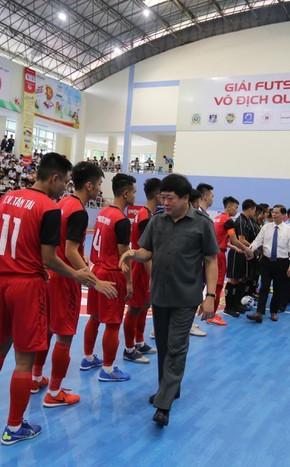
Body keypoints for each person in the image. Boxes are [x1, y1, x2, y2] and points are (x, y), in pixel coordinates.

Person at [0, 153, 95, 446]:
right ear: (54, 179)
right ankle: (14, 427)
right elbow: (49, 259)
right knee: (23, 359)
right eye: (64, 182)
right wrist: (79, 275)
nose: (64, 188)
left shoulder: (5, 198)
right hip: (25, 285)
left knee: (0, 344)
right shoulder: (48, 208)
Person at [119, 174, 219, 427]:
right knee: (164, 348)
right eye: (162, 197)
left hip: (186, 298)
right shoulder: (157, 221)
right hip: (160, 296)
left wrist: (210, 296)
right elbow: (147, 251)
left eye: (170, 198)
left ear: (185, 198)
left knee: (176, 348)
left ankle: (163, 405)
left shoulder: (202, 224)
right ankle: (170, 388)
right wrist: (133, 253)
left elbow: (211, 260)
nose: (165, 202)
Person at [30, 162, 118, 407]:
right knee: (65, 336)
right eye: (99, 184)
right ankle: (55, 392)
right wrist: (94, 279)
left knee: (47, 331)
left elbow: (64, 245)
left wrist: (81, 254)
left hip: (49, 274)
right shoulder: (78, 210)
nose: (100, 190)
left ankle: (36, 378)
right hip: (66, 278)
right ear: (89, 185)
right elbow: (70, 251)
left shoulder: (63, 203)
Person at [82, 173, 137, 382]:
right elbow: (124, 257)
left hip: (97, 272)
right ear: (125, 193)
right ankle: (108, 368)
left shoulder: (103, 212)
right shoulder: (122, 221)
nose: (135, 195)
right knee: (113, 324)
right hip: (112, 275)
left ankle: (87, 358)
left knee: (95, 318)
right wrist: (129, 283)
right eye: (133, 191)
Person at [123, 178, 161, 364]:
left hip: (143, 266)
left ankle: (139, 341)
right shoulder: (146, 217)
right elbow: (145, 251)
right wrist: (154, 276)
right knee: (135, 307)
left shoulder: (147, 214)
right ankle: (129, 348)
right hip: (141, 267)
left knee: (145, 305)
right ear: (157, 195)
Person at [243, 204, 290, 323]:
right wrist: (249, 249)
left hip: (282, 263)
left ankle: (274, 311)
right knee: (264, 287)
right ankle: (259, 312)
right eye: (273, 212)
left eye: (277, 212)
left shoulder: (289, 231)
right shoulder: (266, 228)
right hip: (266, 262)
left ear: (283, 215)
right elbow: (257, 241)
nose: (274, 214)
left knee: (278, 288)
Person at [210, 196, 248, 324]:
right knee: (218, 284)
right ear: (229, 206)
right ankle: (212, 315)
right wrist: (246, 250)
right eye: (236, 207)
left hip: (212, 254)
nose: (237, 210)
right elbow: (235, 240)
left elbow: (221, 239)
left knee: (212, 283)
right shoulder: (228, 221)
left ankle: (209, 312)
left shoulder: (217, 218)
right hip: (219, 256)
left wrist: (235, 248)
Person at [223, 199, 258, 317]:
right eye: (235, 207)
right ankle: (228, 307)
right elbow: (240, 240)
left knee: (240, 279)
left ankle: (236, 303)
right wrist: (253, 247)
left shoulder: (247, 221)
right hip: (237, 253)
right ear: (251, 209)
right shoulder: (241, 221)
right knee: (233, 279)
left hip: (243, 252)